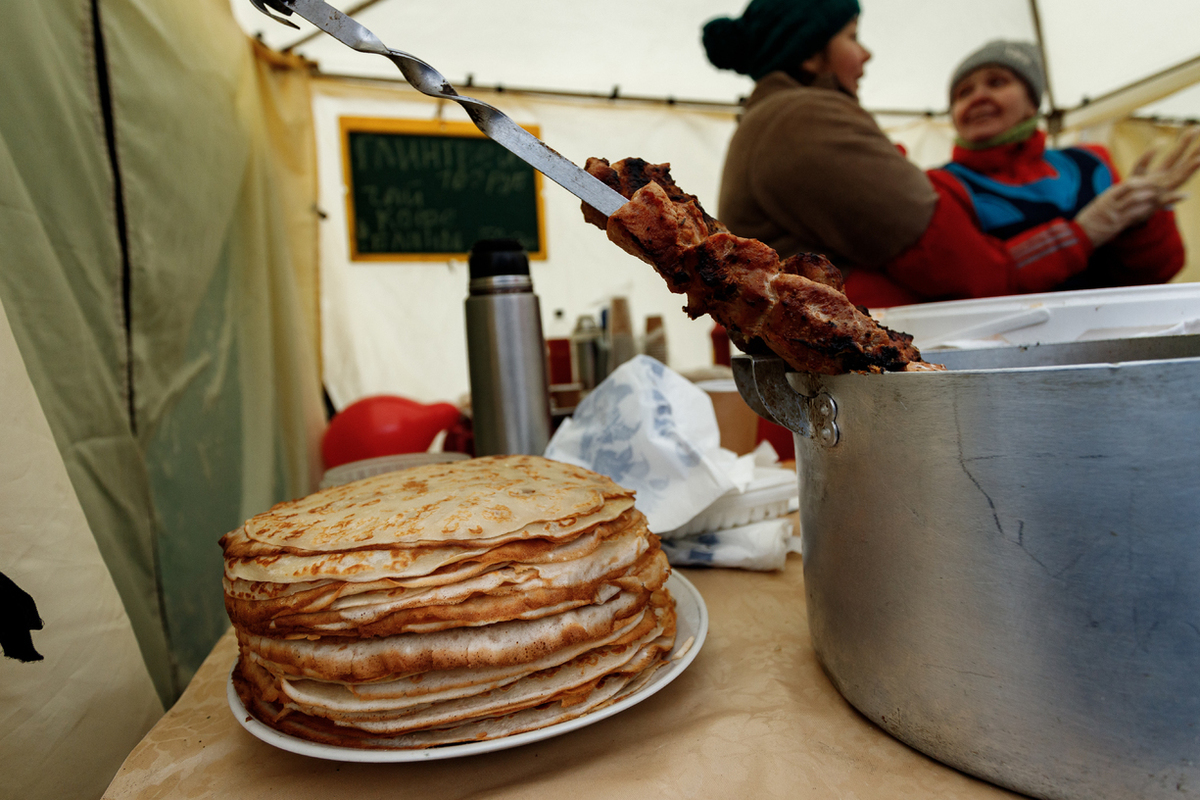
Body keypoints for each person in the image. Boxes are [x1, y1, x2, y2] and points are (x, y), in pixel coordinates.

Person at [877, 39, 1199, 306]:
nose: (978, 97)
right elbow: (980, 283)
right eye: (963, 93)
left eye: (997, 82)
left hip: (1108, 337)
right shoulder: (943, 186)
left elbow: (1156, 273)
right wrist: (1082, 233)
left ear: (1033, 102)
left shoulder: (1089, 164)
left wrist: (1145, 220)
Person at [703, 0, 939, 304]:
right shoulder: (801, 116)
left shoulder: (773, 115)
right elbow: (929, 240)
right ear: (811, 55)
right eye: (852, 37)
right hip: (844, 341)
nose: (867, 54)